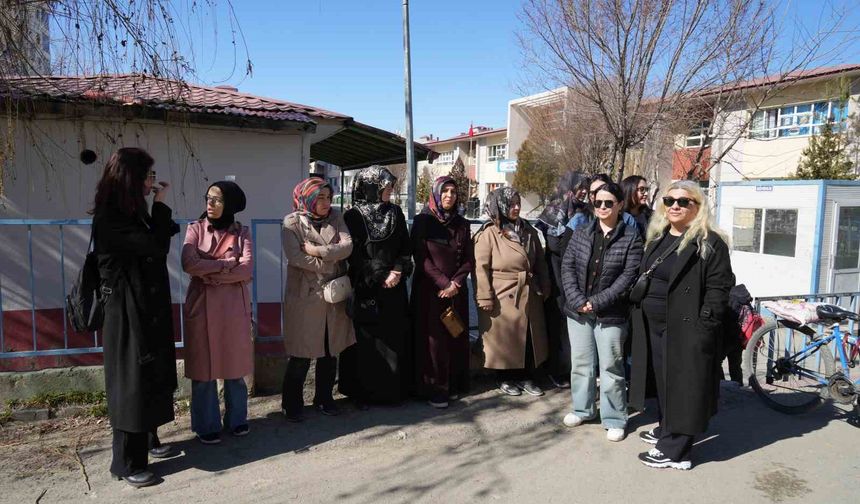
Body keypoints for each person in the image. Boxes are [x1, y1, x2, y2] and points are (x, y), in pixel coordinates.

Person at [629, 180, 734, 470]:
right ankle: (667, 427)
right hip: (657, 324)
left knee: (684, 387)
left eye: (683, 201)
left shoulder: (709, 242)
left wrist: (704, 327)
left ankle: (677, 450)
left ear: (697, 207)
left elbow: (718, 289)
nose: (675, 205)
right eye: (669, 200)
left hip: (687, 328)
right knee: (665, 382)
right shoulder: (660, 235)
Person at [92, 148, 179, 488]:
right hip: (126, 312)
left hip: (146, 307)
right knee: (131, 384)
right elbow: (154, 246)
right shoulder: (111, 215)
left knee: (151, 376)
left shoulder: (131, 209)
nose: (152, 182)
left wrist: (157, 209)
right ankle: (126, 462)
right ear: (130, 178)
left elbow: (161, 236)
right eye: (147, 176)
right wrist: (159, 206)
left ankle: (149, 440)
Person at [560, 182, 643, 442]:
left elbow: (628, 277)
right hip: (578, 312)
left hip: (611, 313)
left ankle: (615, 418)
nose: (603, 207)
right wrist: (577, 300)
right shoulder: (581, 232)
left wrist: (595, 302)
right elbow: (567, 267)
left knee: (611, 368)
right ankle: (583, 409)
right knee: (581, 364)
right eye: (598, 203)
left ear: (619, 204)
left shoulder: (631, 236)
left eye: (609, 203)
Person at [181, 181, 253, 444]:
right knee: (203, 371)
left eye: (217, 200)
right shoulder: (195, 229)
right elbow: (189, 263)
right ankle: (206, 424)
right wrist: (225, 266)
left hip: (233, 307)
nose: (210, 204)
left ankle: (237, 419)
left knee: (234, 369)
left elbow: (245, 270)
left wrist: (210, 272)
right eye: (208, 198)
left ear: (230, 205)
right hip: (201, 306)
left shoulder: (242, 233)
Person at [281, 177, 355, 421]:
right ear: (307, 198)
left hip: (333, 296)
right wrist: (329, 262)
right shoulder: (292, 222)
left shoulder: (336, 216)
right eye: (319, 197)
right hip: (305, 297)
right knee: (301, 354)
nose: (325, 202)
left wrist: (320, 251)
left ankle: (324, 398)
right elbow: (296, 257)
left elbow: (348, 247)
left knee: (329, 351)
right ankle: (291, 404)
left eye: (328, 196)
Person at [338, 166, 413, 406]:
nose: (390, 190)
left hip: (394, 288)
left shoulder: (396, 212)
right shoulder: (353, 216)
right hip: (367, 287)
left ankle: (391, 392)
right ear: (371, 187)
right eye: (385, 186)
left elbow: (405, 247)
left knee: (393, 338)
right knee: (366, 342)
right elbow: (353, 254)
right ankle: (363, 393)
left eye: (391, 186)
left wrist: (399, 270)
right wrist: (379, 275)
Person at [474, 187, 551, 397]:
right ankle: (504, 377)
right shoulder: (489, 233)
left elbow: (541, 262)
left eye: (518, 203)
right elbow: (480, 268)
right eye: (511, 204)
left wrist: (545, 287)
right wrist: (484, 295)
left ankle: (526, 376)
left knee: (527, 336)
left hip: (527, 289)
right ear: (500, 205)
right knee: (506, 338)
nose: (516, 207)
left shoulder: (528, 230)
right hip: (502, 293)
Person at [411, 176, 474, 408]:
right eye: (445, 191)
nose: (449, 195)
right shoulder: (423, 221)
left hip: (455, 292)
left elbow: (469, 259)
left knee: (455, 336)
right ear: (436, 194)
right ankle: (434, 388)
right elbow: (421, 258)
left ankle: (453, 384)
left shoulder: (462, 223)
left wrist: (455, 284)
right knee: (433, 341)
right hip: (431, 292)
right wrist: (443, 283)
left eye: (453, 192)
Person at [536, 170, 588, 389]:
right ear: (570, 188)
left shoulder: (584, 211)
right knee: (556, 322)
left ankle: (570, 367)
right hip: (556, 274)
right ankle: (555, 369)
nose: (584, 192)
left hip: (576, 274)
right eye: (580, 187)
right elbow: (555, 246)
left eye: (586, 188)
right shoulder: (554, 210)